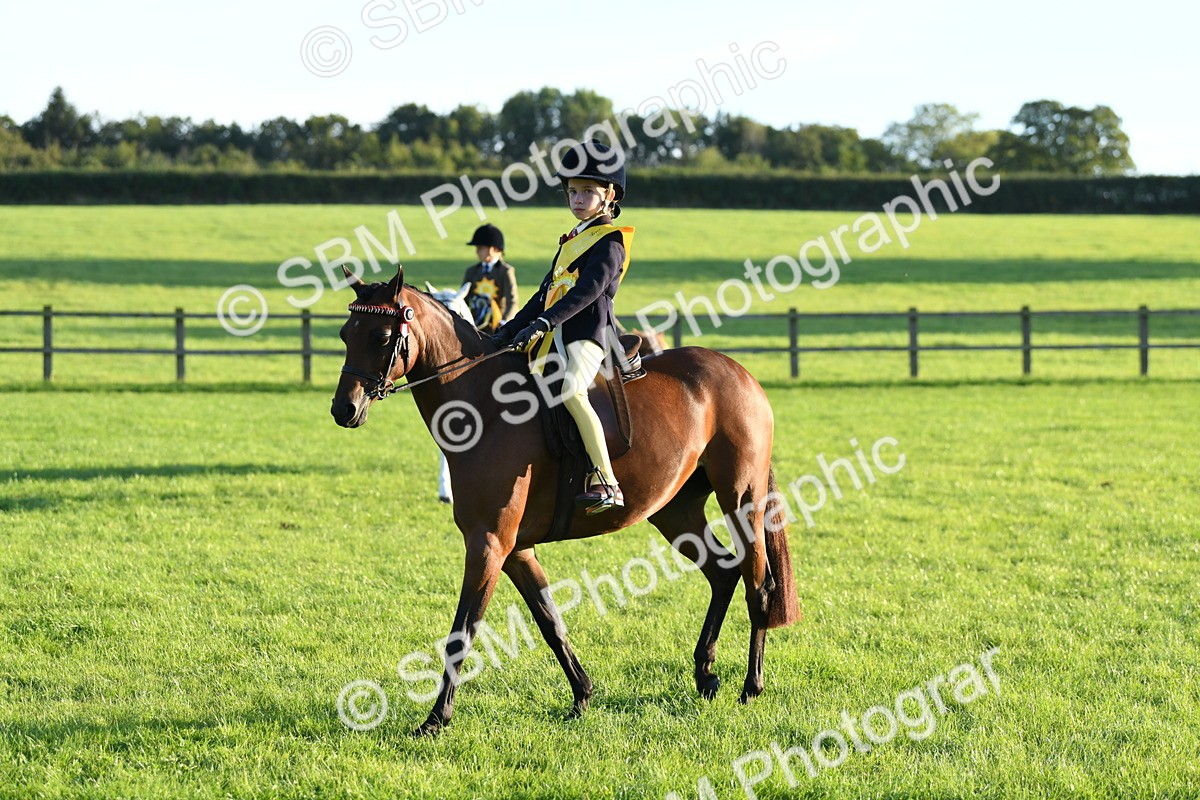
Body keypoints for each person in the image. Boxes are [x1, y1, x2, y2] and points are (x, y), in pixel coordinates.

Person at [491, 140, 635, 515]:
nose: (578, 198)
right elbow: (543, 295)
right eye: (573, 191)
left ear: (609, 195)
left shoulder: (610, 242)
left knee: (572, 390)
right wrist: (507, 330)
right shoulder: (570, 242)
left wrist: (544, 322)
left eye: (588, 191)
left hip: (588, 335)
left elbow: (588, 293)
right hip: (555, 333)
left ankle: (606, 481)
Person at [462, 224, 518, 332]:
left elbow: (512, 301)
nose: (477, 251)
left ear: (494, 249)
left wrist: (504, 323)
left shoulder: (505, 271)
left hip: (497, 325)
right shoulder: (472, 271)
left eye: (481, 248)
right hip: (475, 325)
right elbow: (464, 298)